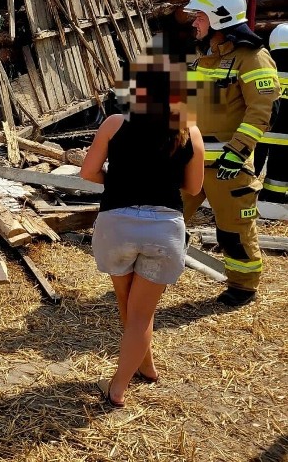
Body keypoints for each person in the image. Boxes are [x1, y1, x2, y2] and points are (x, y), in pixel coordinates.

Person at [80, 54, 204, 408]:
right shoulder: (188, 129)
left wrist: (118, 181)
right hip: (163, 229)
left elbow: (88, 173)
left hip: (116, 225)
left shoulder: (115, 123)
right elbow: (194, 188)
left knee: (128, 305)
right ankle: (132, 375)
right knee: (140, 314)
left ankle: (130, 375)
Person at [182, 0, 279, 306]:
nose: (194, 22)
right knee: (164, 218)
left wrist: (238, 152)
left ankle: (243, 286)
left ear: (219, 18)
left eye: (199, 16)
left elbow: (262, 109)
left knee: (233, 232)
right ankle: (156, 274)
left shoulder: (252, 58)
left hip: (228, 168)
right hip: (188, 163)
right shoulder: (204, 59)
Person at [253, 23, 288, 202]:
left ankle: (245, 192)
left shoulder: (264, 65)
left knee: (251, 166)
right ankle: (273, 194)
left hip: (260, 130)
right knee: (281, 166)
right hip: (286, 136)